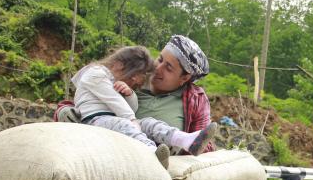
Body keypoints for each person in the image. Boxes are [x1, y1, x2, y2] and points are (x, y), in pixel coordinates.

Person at [56, 35, 216, 155]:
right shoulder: (134, 75)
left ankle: (174, 143)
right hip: (113, 142)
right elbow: (88, 98)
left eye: (168, 67)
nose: (158, 68)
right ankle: (152, 154)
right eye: (160, 59)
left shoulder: (195, 98)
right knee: (130, 125)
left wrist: (177, 149)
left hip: (157, 148)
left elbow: (204, 144)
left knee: (150, 124)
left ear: (184, 78)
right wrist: (63, 110)